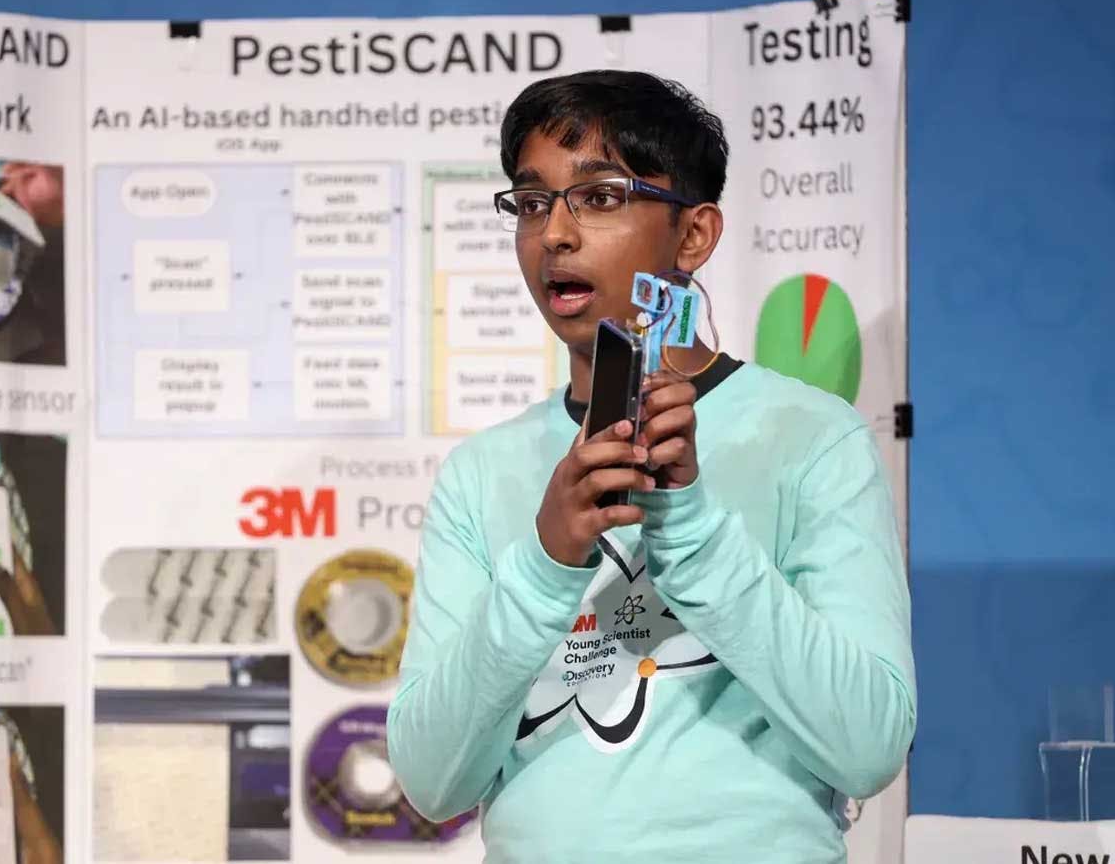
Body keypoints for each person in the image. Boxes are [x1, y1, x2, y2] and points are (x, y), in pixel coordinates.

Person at [386, 70, 915, 862]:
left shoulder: (812, 438)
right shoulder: (481, 474)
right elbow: (433, 782)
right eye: (532, 203)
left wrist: (693, 526)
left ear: (693, 235)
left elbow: (869, 745)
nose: (555, 233)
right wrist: (544, 562)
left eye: (598, 196)